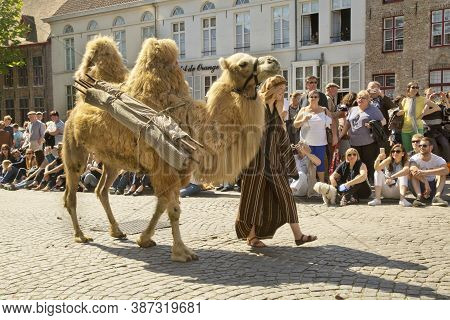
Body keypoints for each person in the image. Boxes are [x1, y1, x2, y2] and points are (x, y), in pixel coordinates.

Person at [236, 75, 317, 248]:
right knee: (253, 199)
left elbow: (281, 138)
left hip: (274, 164)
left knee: (286, 196)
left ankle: (298, 235)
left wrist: (289, 164)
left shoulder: (277, 109)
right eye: (280, 88)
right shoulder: (257, 106)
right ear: (271, 89)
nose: (283, 92)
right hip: (255, 163)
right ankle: (251, 237)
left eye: (284, 89)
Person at [340, 90, 386, 182]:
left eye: (363, 98)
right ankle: (359, 182)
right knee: (357, 163)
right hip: (354, 142)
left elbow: (384, 121)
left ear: (368, 100)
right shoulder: (352, 109)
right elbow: (348, 124)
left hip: (369, 142)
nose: (360, 99)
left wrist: (373, 124)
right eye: (359, 97)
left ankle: (371, 182)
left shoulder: (373, 109)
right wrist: (341, 135)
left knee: (369, 163)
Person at [293, 89, 336, 182]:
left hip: (320, 142)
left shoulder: (324, 110)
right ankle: (308, 187)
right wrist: (303, 119)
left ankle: (321, 185)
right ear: (308, 99)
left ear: (318, 98)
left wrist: (335, 136)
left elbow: (332, 122)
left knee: (320, 164)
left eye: (315, 97)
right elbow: (295, 124)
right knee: (307, 165)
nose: (313, 98)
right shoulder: (303, 110)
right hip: (306, 143)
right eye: (311, 97)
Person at [400, 82, 439, 152]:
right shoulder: (404, 100)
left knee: (419, 150)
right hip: (405, 128)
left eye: (417, 87)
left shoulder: (422, 99)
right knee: (407, 151)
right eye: (413, 87)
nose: (415, 89)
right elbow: (403, 113)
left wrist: (423, 114)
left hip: (417, 127)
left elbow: (437, 108)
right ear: (408, 88)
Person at [409, 137, 448, 207]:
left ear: (431, 147)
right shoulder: (414, 158)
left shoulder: (438, 159)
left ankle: (437, 197)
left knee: (442, 174)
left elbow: (446, 170)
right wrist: (426, 182)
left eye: (424, 146)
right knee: (412, 174)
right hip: (420, 186)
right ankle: (419, 198)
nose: (421, 147)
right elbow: (413, 170)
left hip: (433, 186)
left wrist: (425, 172)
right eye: (420, 145)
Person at [422, 89, 450, 162]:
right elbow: (422, 114)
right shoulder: (422, 105)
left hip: (438, 130)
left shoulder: (439, 105)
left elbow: (448, 112)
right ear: (425, 96)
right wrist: (428, 101)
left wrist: (445, 99)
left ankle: (447, 165)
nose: (432, 96)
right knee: (434, 147)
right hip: (428, 131)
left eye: (433, 94)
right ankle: (435, 166)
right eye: (429, 94)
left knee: (446, 145)